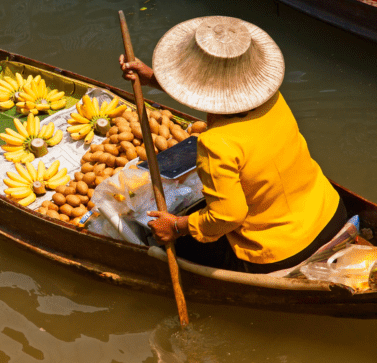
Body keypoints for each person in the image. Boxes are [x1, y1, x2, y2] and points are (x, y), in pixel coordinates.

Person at [120, 16, 347, 274]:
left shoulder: (216, 144)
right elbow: (222, 96)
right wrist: (152, 78)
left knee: (176, 242)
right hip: (330, 212)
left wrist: (175, 227)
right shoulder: (272, 99)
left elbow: (228, 216)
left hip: (280, 251)